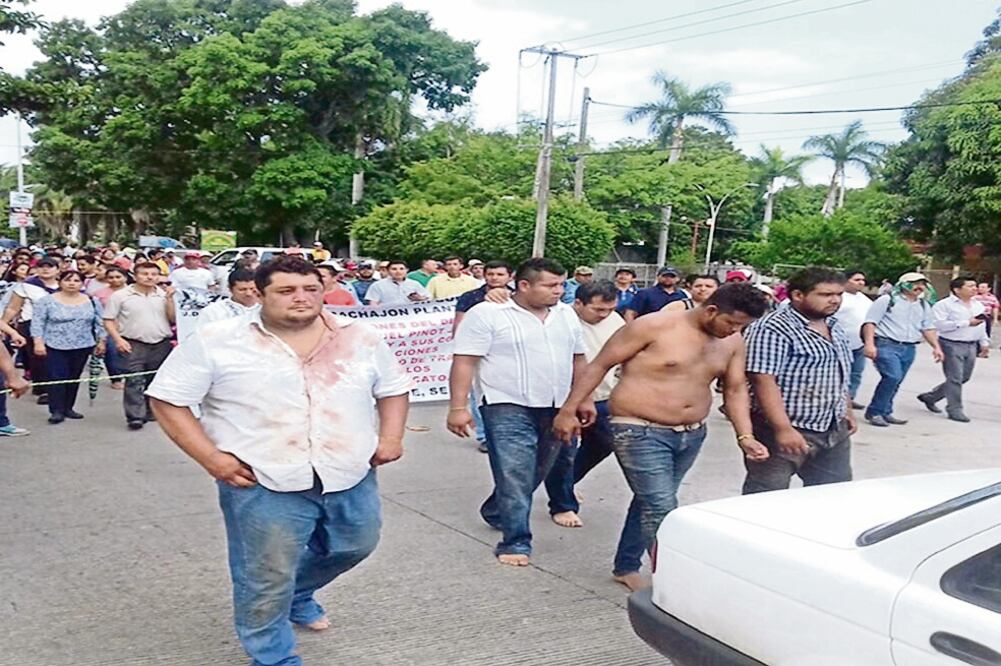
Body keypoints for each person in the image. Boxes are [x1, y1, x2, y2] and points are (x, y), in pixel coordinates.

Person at [146, 256, 410, 666]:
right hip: (262, 480)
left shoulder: (361, 336)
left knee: (355, 546)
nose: (301, 298)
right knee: (265, 574)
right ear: (259, 293)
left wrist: (391, 437)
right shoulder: (218, 339)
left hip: (349, 471)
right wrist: (211, 458)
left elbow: (393, 388)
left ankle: (298, 593)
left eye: (310, 289)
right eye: (286, 291)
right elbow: (167, 399)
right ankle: (272, 656)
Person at [554, 283, 769, 590]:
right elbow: (599, 365)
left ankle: (626, 565)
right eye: (731, 323)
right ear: (711, 310)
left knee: (650, 500)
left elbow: (734, 389)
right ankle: (674, 579)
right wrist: (569, 409)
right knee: (660, 506)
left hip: (691, 434)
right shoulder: (653, 326)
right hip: (638, 428)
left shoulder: (732, 341)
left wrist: (745, 436)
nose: (734, 330)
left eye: (742, 326)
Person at [447, 257, 588, 567]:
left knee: (538, 469)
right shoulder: (487, 313)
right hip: (505, 405)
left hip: (556, 406)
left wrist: (582, 400)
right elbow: (464, 360)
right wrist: (458, 407)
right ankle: (516, 541)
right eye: (551, 285)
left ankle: (496, 510)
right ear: (524, 285)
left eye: (561, 284)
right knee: (514, 472)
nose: (559, 291)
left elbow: (579, 359)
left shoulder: (566, 315)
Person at [742, 268, 857, 494]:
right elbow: (763, 380)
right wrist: (783, 429)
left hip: (833, 429)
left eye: (839, 294)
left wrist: (847, 410)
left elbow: (838, 373)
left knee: (833, 496)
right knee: (765, 498)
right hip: (782, 430)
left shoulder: (834, 326)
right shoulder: (772, 328)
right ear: (797, 295)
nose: (835, 300)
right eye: (826, 294)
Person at [544, 280, 625, 532]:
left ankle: (566, 484)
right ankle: (562, 505)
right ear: (578, 303)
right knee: (563, 451)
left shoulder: (615, 320)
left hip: (604, 397)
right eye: (598, 309)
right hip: (565, 399)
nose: (604, 314)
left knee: (604, 443)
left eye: (610, 309)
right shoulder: (559, 320)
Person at [861, 272, 942, 428]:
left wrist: (936, 347)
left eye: (922, 284)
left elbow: (927, 328)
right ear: (903, 284)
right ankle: (875, 411)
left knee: (897, 381)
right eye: (915, 283)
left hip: (909, 347)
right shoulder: (888, 300)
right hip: (886, 344)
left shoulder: (923, 305)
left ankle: (886, 411)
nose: (919, 287)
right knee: (892, 377)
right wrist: (869, 344)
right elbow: (870, 322)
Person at [103, 262, 177, 430]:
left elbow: (173, 319)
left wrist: (170, 300)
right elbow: (108, 320)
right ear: (135, 276)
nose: (149, 277)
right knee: (134, 379)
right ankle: (135, 416)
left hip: (160, 343)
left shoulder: (163, 294)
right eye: (145, 274)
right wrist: (118, 340)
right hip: (133, 342)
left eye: (153, 274)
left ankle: (151, 410)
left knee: (155, 380)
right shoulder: (121, 295)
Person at [452, 260, 515, 453]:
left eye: (500, 274)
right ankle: (485, 435)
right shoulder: (471, 297)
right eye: (491, 274)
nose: (495, 278)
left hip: (506, 352)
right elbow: (459, 323)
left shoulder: (518, 296)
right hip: (477, 351)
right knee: (478, 392)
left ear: (510, 277)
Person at [30, 270, 106, 424]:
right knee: (56, 377)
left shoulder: (92, 300)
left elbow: (100, 322)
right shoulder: (47, 301)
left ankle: (68, 407)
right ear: (60, 282)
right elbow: (38, 322)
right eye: (68, 280)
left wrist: (101, 341)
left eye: (76, 281)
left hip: (82, 344)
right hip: (54, 345)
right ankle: (56, 410)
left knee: (73, 377)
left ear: (82, 284)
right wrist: (38, 342)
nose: (72, 283)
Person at [917, 276, 990, 422]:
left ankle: (931, 397)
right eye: (970, 286)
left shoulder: (977, 305)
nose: (974, 289)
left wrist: (984, 342)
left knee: (964, 377)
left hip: (971, 344)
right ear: (957, 289)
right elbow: (938, 325)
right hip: (951, 344)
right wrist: (965, 323)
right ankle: (954, 408)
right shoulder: (944, 305)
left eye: (975, 286)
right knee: (954, 378)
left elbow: (981, 324)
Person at [0, 256, 60, 402]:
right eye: (42, 267)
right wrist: (3, 325)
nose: (45, 270)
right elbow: (13, 308)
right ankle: (42, 388)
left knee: (55, 358)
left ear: (57, 270)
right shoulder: (27, 286)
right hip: (30, 324)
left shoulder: (64, 285)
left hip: (57, 326)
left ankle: (54, 388)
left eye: (49, 267)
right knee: (37, 358)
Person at [836, 269, 872, 408]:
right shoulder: (838, 297)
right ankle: (838, 401)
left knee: (856, 373)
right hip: (839, 343)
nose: (861, 283)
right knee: (840, 374)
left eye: (863, 280)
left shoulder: (864, 299)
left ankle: (849, 399)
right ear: (845, 281)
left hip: (859, 343)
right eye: (857, 280)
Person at [92, 266, 130, 389]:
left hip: (131, 327)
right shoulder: (99, 294)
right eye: (111, 277)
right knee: (112, 354)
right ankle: (116, 378)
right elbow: (99, 314)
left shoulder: (133, 291)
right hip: (110, 329)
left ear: (125, 277)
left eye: (118, 277)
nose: (115, 280)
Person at [364, 261, 429, 306]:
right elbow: (373, 304)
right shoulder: (377, 285)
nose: (398, 271)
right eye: (394, 269)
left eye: (401, 269)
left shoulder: (415, 284)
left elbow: (427, 298)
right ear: (388, 271)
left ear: (407, 270)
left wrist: (420, 298)